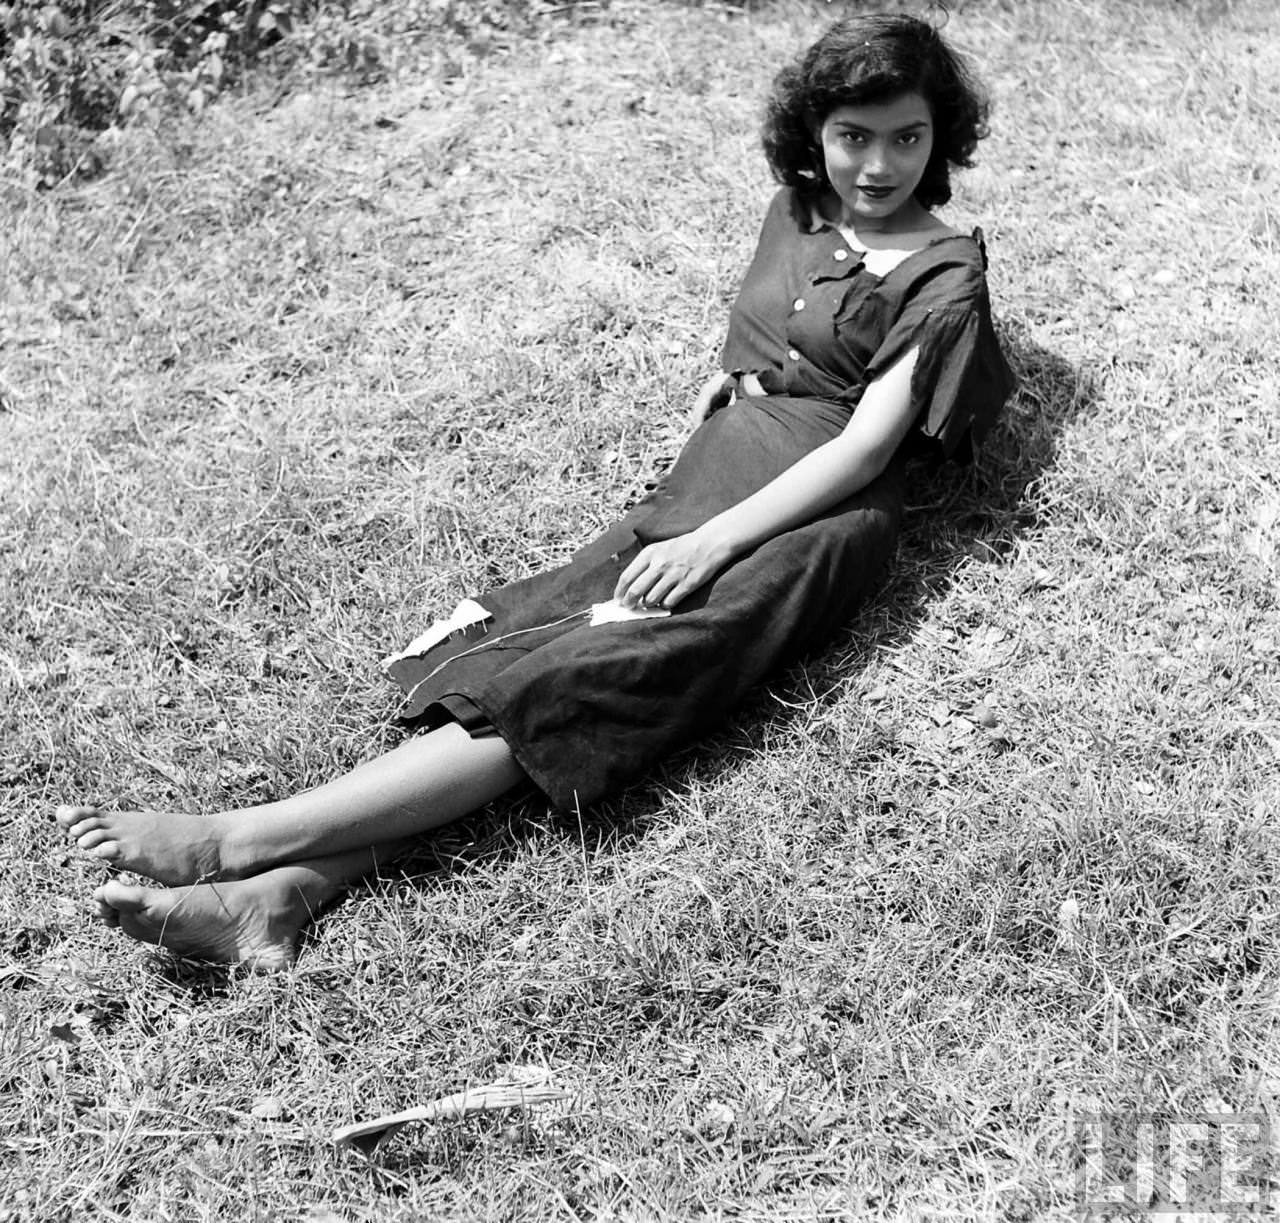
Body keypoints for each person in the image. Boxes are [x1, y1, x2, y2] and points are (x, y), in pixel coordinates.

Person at [57, 13, 1015, 969]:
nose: (878, 165)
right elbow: (755, 333)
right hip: (715, 473)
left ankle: (235, 841)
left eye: (906, 136)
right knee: (542, 638)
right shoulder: (800, 207)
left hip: (809, 519)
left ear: (942, 135)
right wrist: (722, 399)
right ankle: (277, 901)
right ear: (816, 131)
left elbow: (864, 449)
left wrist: (712, 543)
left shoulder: (945, 269)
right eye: (853, 136)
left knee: (587, 675)